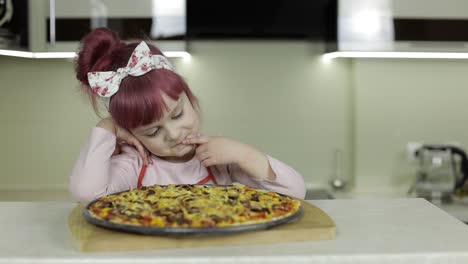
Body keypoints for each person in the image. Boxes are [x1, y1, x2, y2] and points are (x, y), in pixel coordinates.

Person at [70, 28, 306, 202]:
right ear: (132, 135)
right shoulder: (136, 165)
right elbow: (87, 194)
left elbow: (295, 192)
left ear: (190, 98)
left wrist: (245, 155)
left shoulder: (219, 161)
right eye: (152, 131)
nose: (173, 134)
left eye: (177, 114)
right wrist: (108, 126)